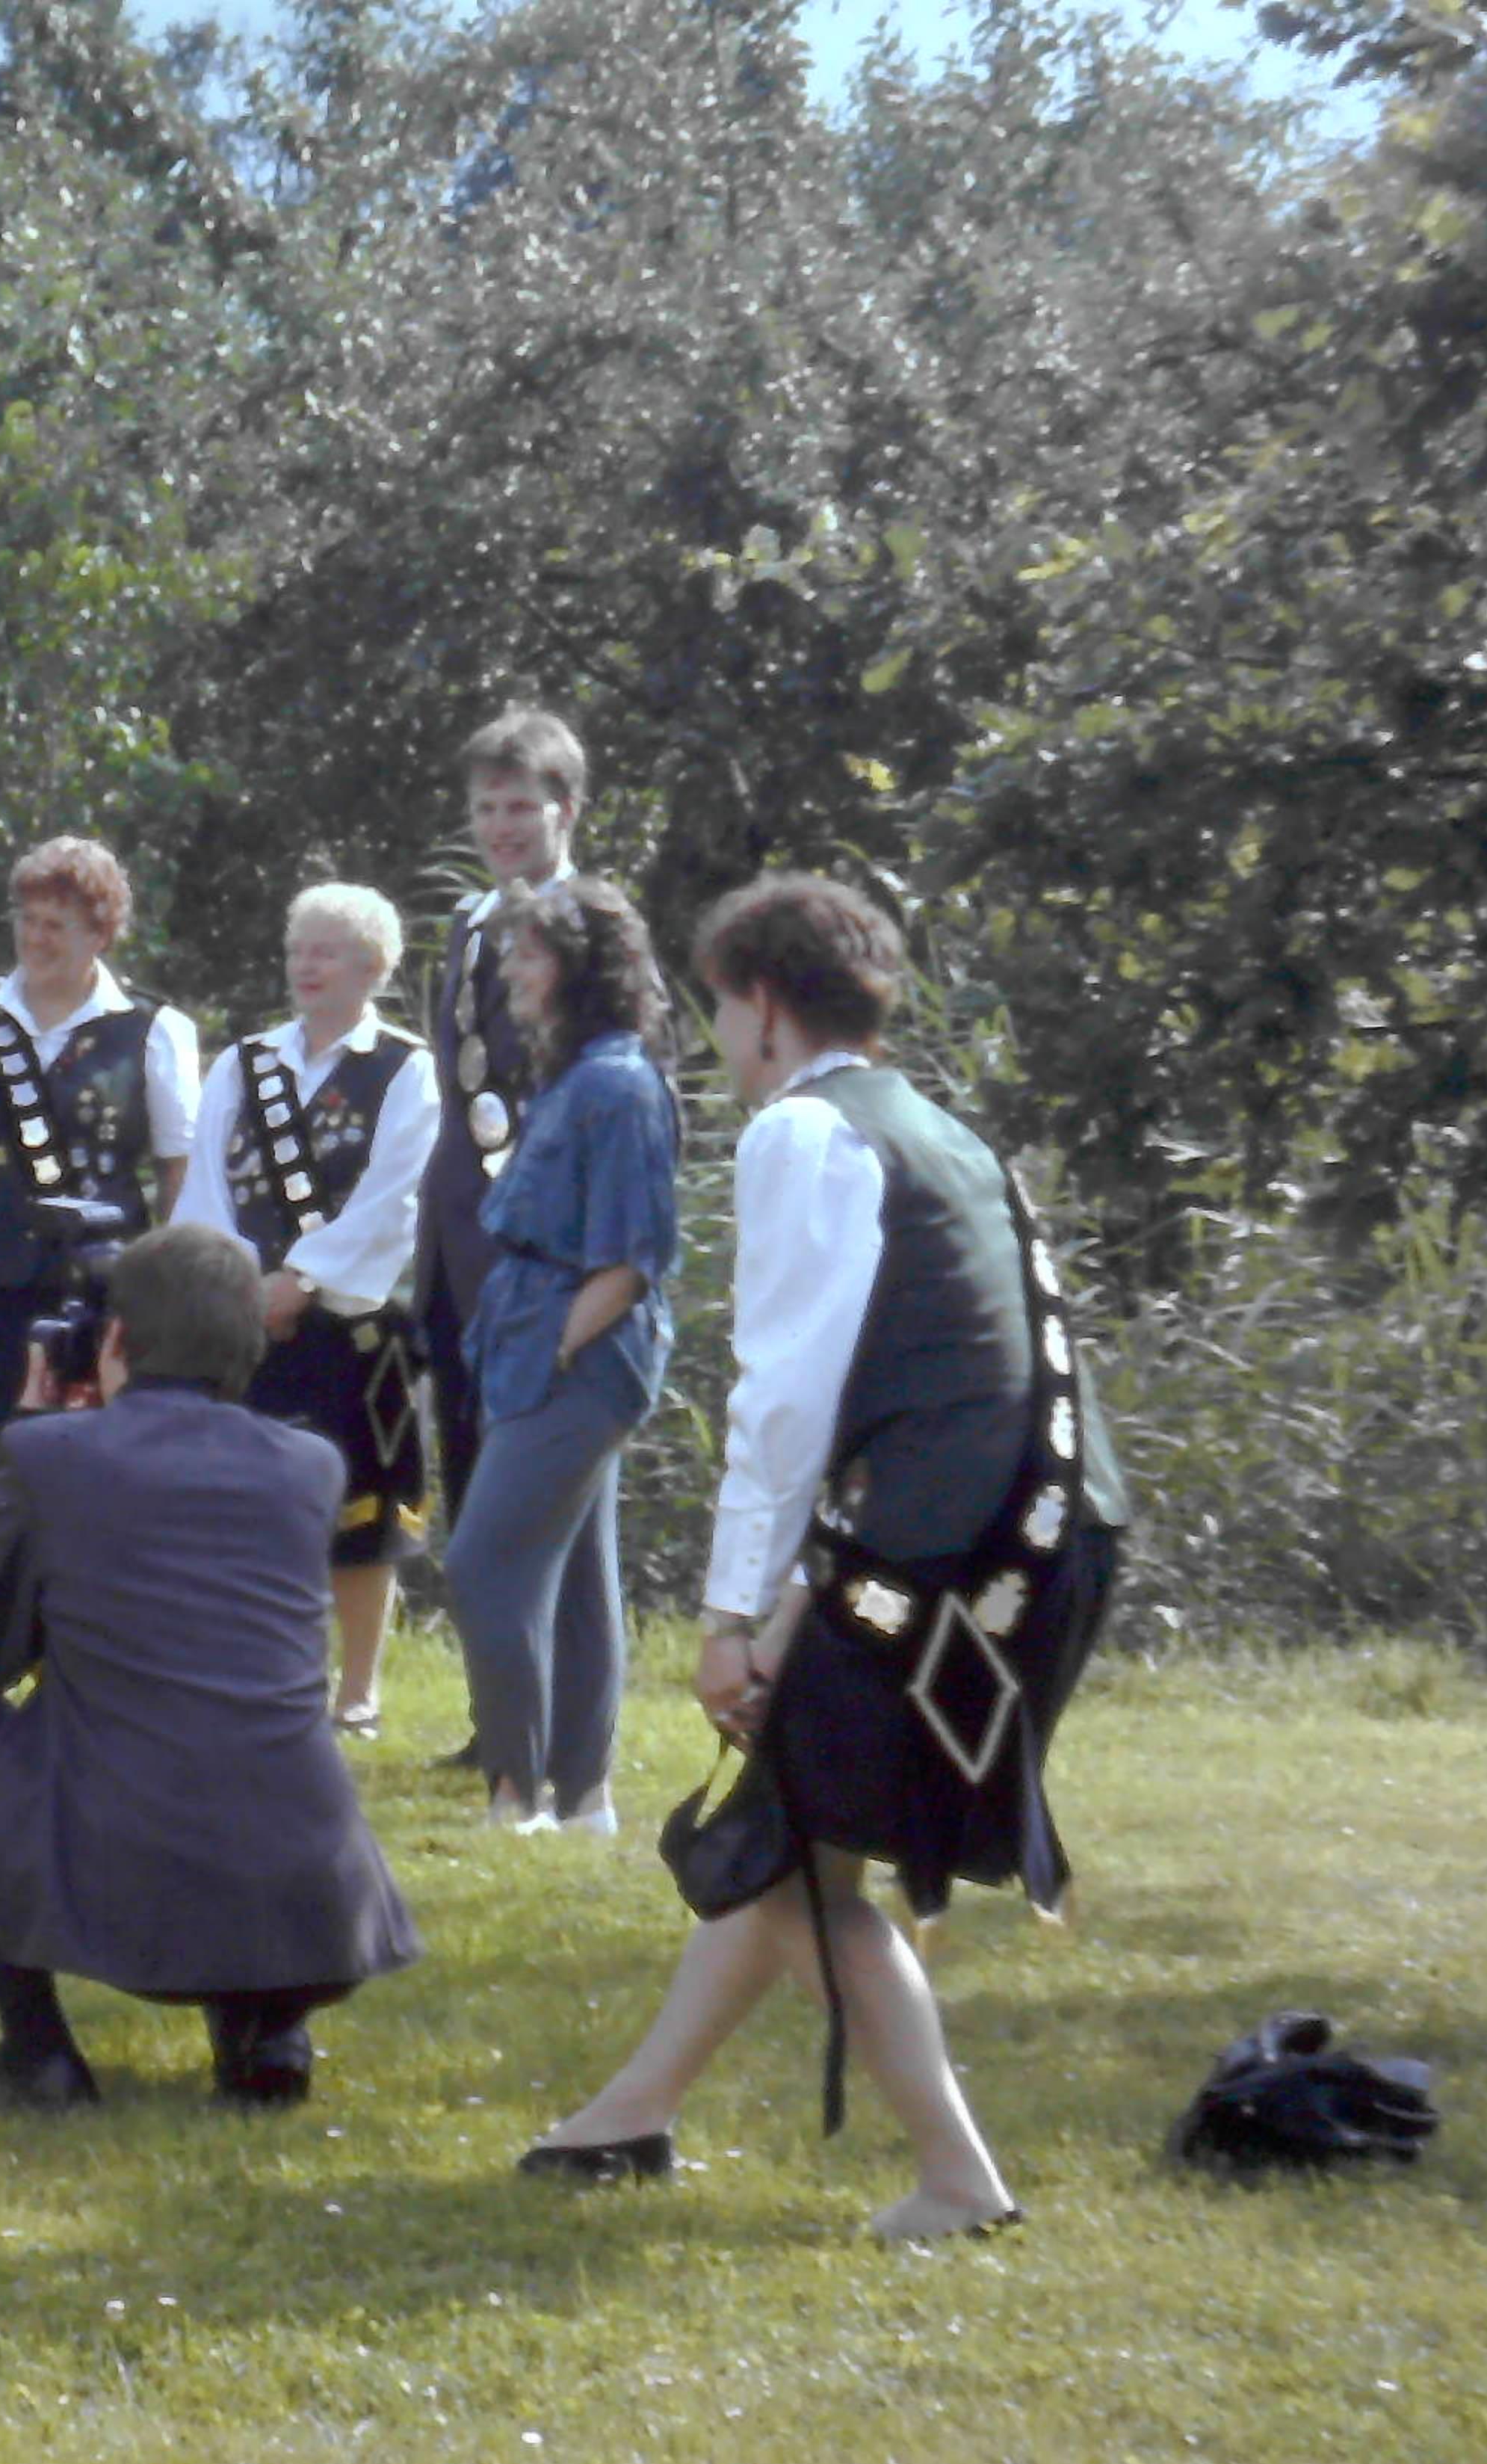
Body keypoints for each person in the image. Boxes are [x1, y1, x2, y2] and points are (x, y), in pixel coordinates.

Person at [521, 874, 1126, 2242]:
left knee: (792, 1856)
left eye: (718, 1012)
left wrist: (733, 1615)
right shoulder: (940, 1130)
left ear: (763, 1007)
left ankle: (959, 2182)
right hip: (1052, 1534)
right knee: (791, 1830)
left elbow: (784, 1401)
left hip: (953, 1555)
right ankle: (627, 2116)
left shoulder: (802, 1133)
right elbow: (939, 1388)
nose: (721, 1047)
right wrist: (807, 1590)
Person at [0, 1224, 422, 2110]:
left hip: (124, 1902)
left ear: (117, 1337)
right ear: (251, 1344)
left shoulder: (50, 1455)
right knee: (227, 1725)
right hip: (312, 1902)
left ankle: (37, 2052)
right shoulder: (311, 1467)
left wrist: (34, 1425)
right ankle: (268, 2032)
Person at [173, 882, 442, 1737]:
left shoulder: (406, 1069)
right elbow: (205, 1185)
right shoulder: (243, 1063)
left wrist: (303, 1282)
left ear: (373, 965)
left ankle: (356, 1693)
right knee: (241, 1504)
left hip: (355, 1324)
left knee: (363, 1510)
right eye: (297, 949)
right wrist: (238, 1284)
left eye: (325, 950)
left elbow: (397, 1196)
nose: (306, 965)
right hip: (244, 1318)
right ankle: (260, 1674)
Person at [441, 873, 680, 1832]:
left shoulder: (618, 1086)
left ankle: (518, 1792)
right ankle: (585, 1800)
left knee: (482, 1563)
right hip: (540, 1346)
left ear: (584, 969)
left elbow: (631, 1259)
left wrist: (555, 1352)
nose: (512, 971)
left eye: (531, 954)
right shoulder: (575, 1078)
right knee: (579, 1580)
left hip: (581, 1358)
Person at [0, 837, 200, 1548]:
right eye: (27, 920)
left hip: (103, 1297)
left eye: (56, 925)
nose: (36, 938)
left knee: (92, 1484)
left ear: (101, 933)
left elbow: (179, 1170)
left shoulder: (156, 1030)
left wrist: (169, 1297)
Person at [418, 708, 585, 1529]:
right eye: (485, 808)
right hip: (458, 1250)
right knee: (471, 1507)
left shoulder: (593, 927)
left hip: (544, 1259)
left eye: (520, 806)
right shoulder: (471, 923)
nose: (499, 827)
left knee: (539, 1527)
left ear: (567, 809)